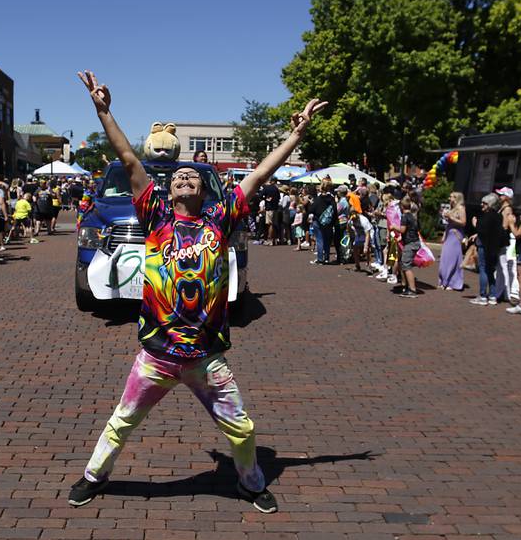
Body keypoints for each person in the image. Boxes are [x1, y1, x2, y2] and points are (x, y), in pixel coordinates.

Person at [69, 69, 326, 513]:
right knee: (122, 422)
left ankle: (251, 482)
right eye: (178, 177)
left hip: (207, 357)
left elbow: (261, 174)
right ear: (167, 189)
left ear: (204, 188)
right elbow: (129, 159)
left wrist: (295, 135)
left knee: (241, 429)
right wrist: (104, 111)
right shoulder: (154, 217)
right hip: (157, 355)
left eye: (193, 176)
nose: (185, 178)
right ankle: (94, 477)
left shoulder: (220, 220)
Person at [470, 193, 506, 306]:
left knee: (483, 270)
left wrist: (475, 224)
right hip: (494, 247)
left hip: (485, 246)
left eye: (484, 203)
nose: (482, 205)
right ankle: (492, 296)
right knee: (490, 271)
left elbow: (483, 231)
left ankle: (482, 295)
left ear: (490, 204)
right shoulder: (498, 216)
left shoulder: (487, 216)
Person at [391, 196, 419, 298]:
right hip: (413, 242)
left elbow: (402, 230)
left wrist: (394, 227)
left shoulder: (405, 216)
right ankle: (407, 286)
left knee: (406, 266)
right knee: (404, 264)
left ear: (402, 206)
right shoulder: (412, 216)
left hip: (411, 243)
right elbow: (410, 230)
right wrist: (401, 239)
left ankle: (412, 289)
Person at [437, 192, 466, 291]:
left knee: (452, 259)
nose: (450, 198)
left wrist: (451, 218)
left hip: (456, 234)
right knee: (445, 258)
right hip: (449, 233)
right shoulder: (452, 208)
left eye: (452, 197)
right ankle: (443, 280)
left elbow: (463, 222)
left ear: (457, 198)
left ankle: (452, 282)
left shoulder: (461, 208)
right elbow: (448, 223)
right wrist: (444, 235)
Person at [310, 179, 336, 264]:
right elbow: (335, 211)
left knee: (319, 240)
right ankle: (327, 258)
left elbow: (312, 209)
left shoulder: (318, 198)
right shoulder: (332, 198)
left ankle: (320, 258)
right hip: (328, 222)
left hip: (318, 221)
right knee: (327, 240)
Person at [261, 178, 281, 245]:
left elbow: (261, 195)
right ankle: (274, 240)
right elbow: (279, 198)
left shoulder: (267, 188)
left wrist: (266, 199)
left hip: (269, 207)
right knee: (274, 224)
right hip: (275, 208)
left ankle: (270, 240)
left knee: (270, 224)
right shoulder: (276, 189)